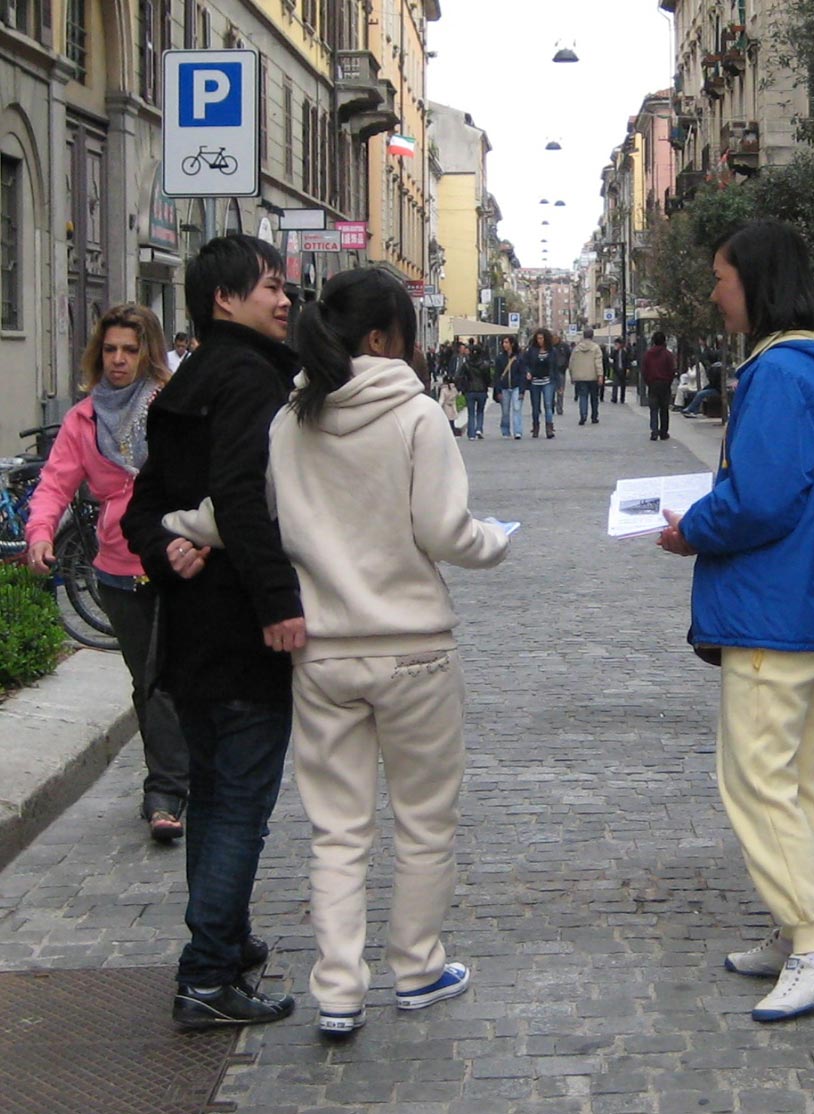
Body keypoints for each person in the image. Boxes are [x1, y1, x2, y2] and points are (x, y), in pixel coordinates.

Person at [264, 268, 510, 1036]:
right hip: (413, 649)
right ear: (382, 338)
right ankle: (417, 967)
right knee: (424, 821)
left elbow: (261, 515)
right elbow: (444, 531)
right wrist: (495, 541)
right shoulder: (416, 414)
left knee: (337, 831)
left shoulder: (292, 419)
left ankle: (338, 990)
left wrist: (189, 527)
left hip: (324, 652)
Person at [658, 219, 814, 1023]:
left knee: (756, 778)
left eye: (721, 277)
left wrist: (693, 529)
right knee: (799, 777)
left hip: (773, 609)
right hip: (812, 603)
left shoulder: (780, 373)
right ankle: (796, 929)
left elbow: (760, 500)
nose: (714, 292)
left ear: (757, 281)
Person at [123, 234, 305, 1030]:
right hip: (238, 627)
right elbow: (240, 494)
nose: (285, 298)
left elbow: (141, 505)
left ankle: (225, 940)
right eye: (270, 286)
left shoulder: (189, 377)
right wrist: (279, 604)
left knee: (213, 795)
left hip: (191, 628)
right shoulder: (252, 378)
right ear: (225, 299)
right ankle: (205, 975)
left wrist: (162, 550)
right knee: (238, 804)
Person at [25, 304, 189, 843]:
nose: (119, 360)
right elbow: (55, 482)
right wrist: (41, 533)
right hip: (117, 569)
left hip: (175, 558)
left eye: (130, 350)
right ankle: (168, 785)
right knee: (147, 681)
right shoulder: (84, 419)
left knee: (171, 677)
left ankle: (171, 788)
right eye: (111, 349)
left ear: (148, 353)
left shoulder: (172, 405)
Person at [642, 331, 676, 440]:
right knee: (664, 409)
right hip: (665, 384)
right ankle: (663, 432)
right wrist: (668, 382)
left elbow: (644, 370)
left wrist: (648, 382)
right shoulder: (668, 354)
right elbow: (671, 370)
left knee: (653, 409)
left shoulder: (648, 354)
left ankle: (654, 431)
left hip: (653, 384)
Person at [524, 327, 558, 438]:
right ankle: (535, 427)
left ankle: (549, 428)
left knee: (548, 404)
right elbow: (526, 363)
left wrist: (558, 384)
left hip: (548, 381)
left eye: (542, 338)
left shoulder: (552, 351)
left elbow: (555, 367)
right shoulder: (532, 351)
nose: (540, 341)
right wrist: (528, 372)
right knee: (535, 406)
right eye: (538, 338)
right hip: (535, 381)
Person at [493, 335, 527, 438]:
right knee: (505, 411)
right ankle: (505, 430)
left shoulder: (519, 358)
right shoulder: (500, 358)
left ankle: (518, 431)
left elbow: (522, 374)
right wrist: (498, 390)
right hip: (504, 387)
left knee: (517, 408)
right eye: (503, 342)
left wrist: (522, 390)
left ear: (512, 344)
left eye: (507, 342)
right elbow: (497, 375)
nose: (504, 345)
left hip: (516, 386)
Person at [568, 327, 603, 425]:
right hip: (593, 376)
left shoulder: (576, 348)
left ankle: (583, 415)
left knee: (583, 397)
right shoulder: (596, 348)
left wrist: (572, 375)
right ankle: (594, 416)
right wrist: (600, 375)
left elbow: (571, 363)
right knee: (594, 397)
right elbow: (598, 362)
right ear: (592, 336)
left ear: (583, 336)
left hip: (580, 377)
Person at [460, 342, 491, 439]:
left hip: (470, 390)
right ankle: (479, 429)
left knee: (471, 413)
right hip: (482, 390)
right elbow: (488, 379)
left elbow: (460, 377)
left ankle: (471, 434)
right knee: (480, 411)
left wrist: (463, 388)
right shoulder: (485, 365)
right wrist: (487, 386)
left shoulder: (466, 365)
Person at [552, 332, 571, 415]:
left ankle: (559, 408)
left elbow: (569, 356)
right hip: (551, 371)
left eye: (555, 338)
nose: (554, 340)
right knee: (551, 390)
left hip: (561, 371)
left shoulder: (564, 346)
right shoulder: (549, 346)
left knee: (560, 390)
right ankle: (552, 405)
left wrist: (565, 365)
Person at [610, 337, 631, 404]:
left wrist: (628, 368)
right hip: (616, 370)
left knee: (623, 385)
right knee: (615, 384)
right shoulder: (614, 351)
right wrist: (615, 350)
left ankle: (622, 398)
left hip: (623, 370)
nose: (616, 345)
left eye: (617, 344)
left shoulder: (625, 351)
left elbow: (628, 360)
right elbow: (611, 357)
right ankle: (614, 398)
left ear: (621, 344)